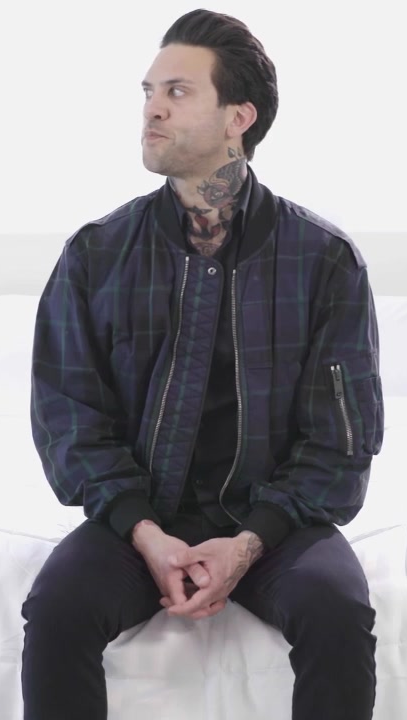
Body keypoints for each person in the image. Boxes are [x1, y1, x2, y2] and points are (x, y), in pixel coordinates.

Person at [22, 9, 383, 719]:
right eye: (149, 91)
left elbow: (339, 446)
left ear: (237, 118)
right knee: (57, 609)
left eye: (178, 91)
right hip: (139, 522)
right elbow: (71, 421)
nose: (152, 108)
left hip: (276, 525)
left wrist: (247, 544)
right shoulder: (97, 255)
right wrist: (147, 533)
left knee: (338, 612)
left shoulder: (325, 261)